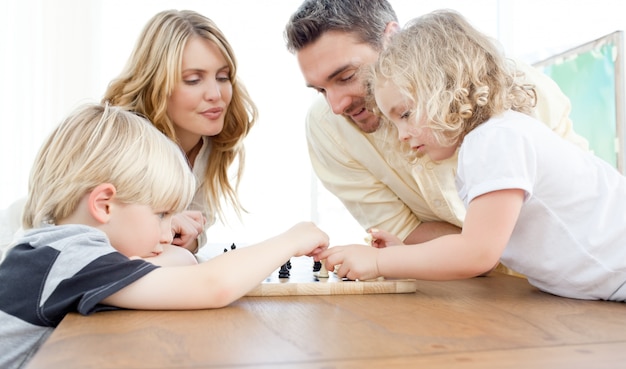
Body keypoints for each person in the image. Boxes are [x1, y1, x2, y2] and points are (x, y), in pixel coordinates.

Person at [318, 9, 626, 301]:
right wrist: (400, 256)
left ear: (447, 89)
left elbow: (477, 254)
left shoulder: (495, 140)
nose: (401, 134)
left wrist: (379, 262)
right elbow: (485, 246)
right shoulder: (492, 141)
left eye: (406, 113)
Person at [0, 103, 329, 369]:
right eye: (160, 214)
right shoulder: (71, 255)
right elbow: (212, 286)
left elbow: (183, 262)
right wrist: (291, 239)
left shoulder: (53, 245)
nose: (168, 230)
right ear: (104, 205)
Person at [103, 9, 258, 254]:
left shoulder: (208, 144)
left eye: (222, 77)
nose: (215, 95)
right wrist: (161, 225)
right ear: (157, 84)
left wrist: (190, 238)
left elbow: (199, 224)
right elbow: (97, 232)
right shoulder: (122, 146)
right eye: (193, 80)